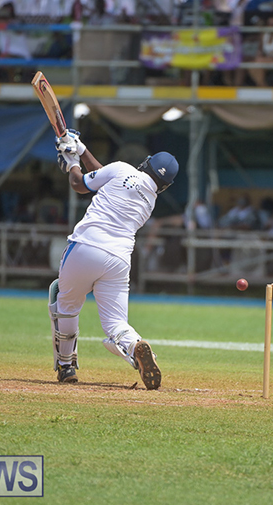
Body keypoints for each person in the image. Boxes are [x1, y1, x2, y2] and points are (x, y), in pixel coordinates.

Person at [49, 129, 178, 389]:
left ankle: (66, 366)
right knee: (116, 323)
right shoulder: (149, 201)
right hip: (118, 260)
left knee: (64, 301)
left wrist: (72, 161)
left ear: (146, 163)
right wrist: (81, 149)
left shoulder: (121, 169)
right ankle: (135, 344)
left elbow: (79, 184)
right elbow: (104, 177)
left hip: (85, 246)